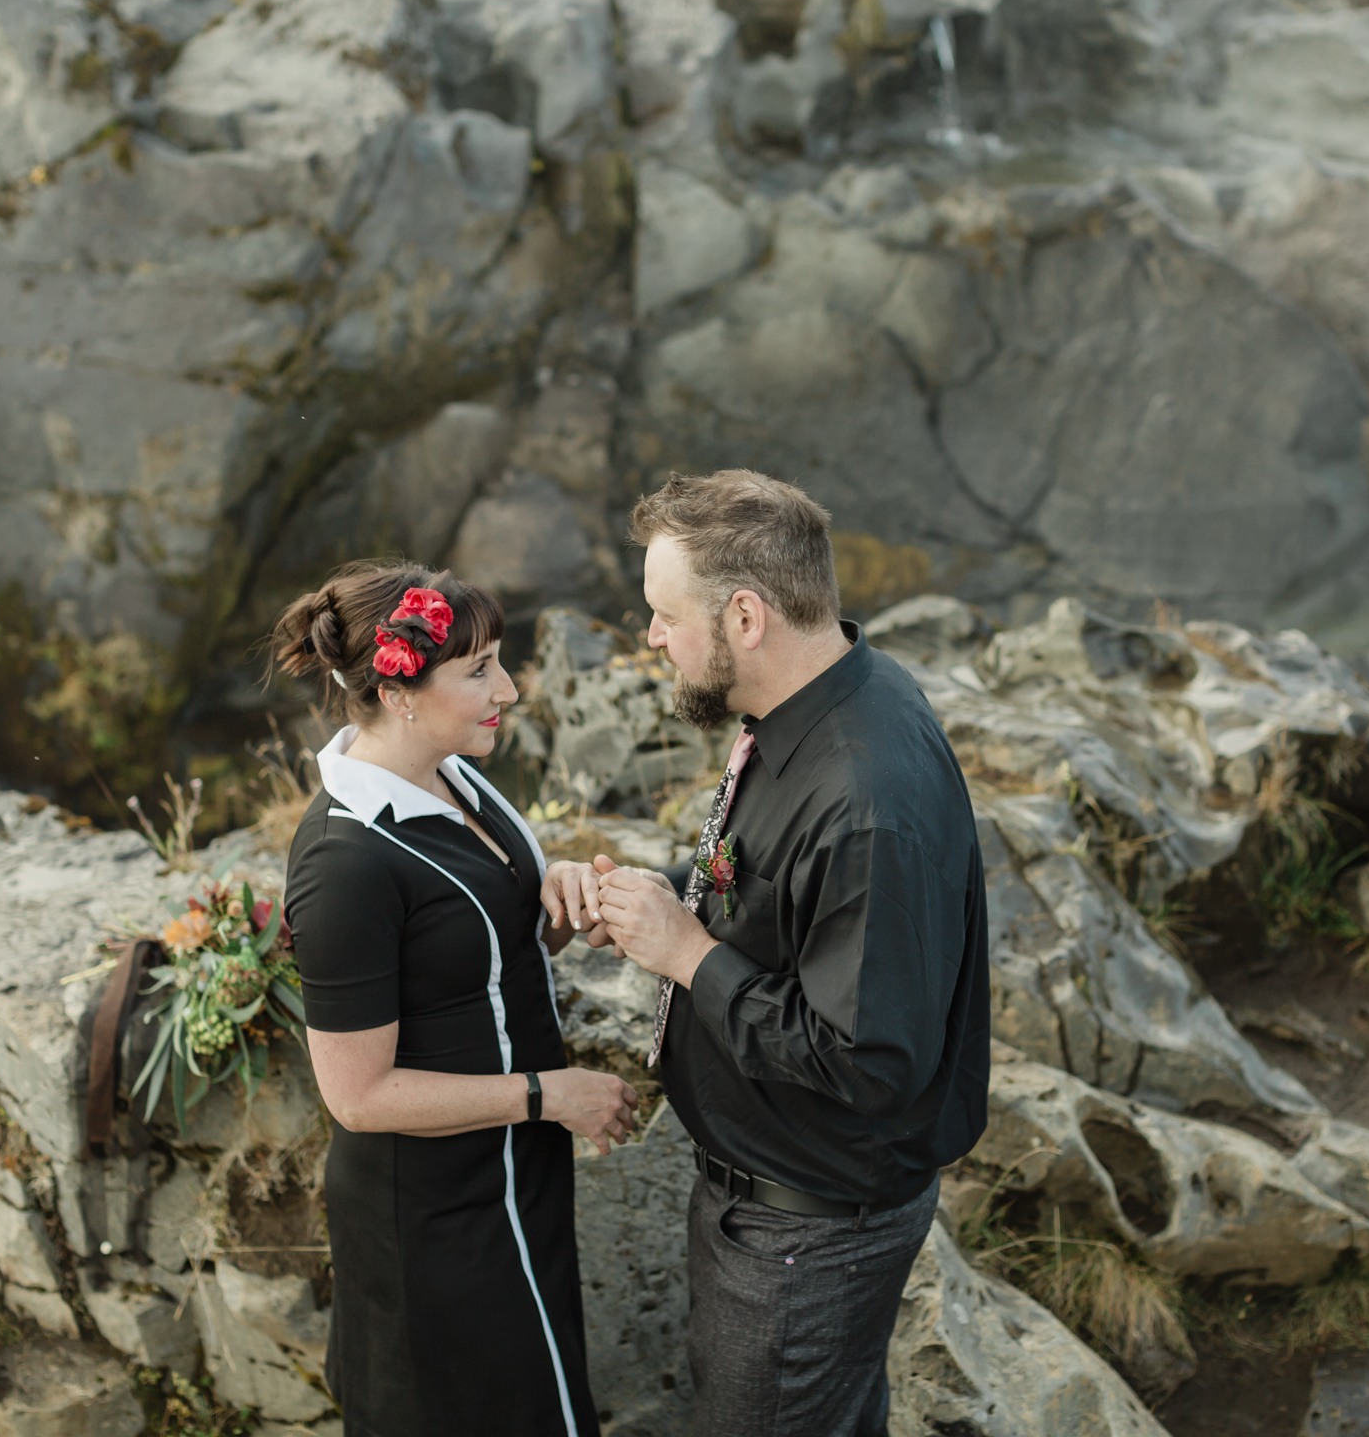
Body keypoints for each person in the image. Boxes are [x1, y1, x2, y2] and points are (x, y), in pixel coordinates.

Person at [543, 472, 991, 1437]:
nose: (651, 638)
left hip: (807, 1239)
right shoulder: (829, 699)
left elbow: (866, 1062)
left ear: (745, 615)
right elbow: (779, 895)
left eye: (666, 615)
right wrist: (651, 896)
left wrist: (687, 953)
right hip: (783, 1217)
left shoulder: (864, 793)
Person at [273, 562, 635, 1437]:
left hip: (512, 1183)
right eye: (478, 671)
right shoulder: (345, 862)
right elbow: (357, 1096)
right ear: (400, 691)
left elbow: (472, 946)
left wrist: (558, 901)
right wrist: (551, 1095)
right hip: (433, 1219)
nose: (508, 688)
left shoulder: (456, 777)